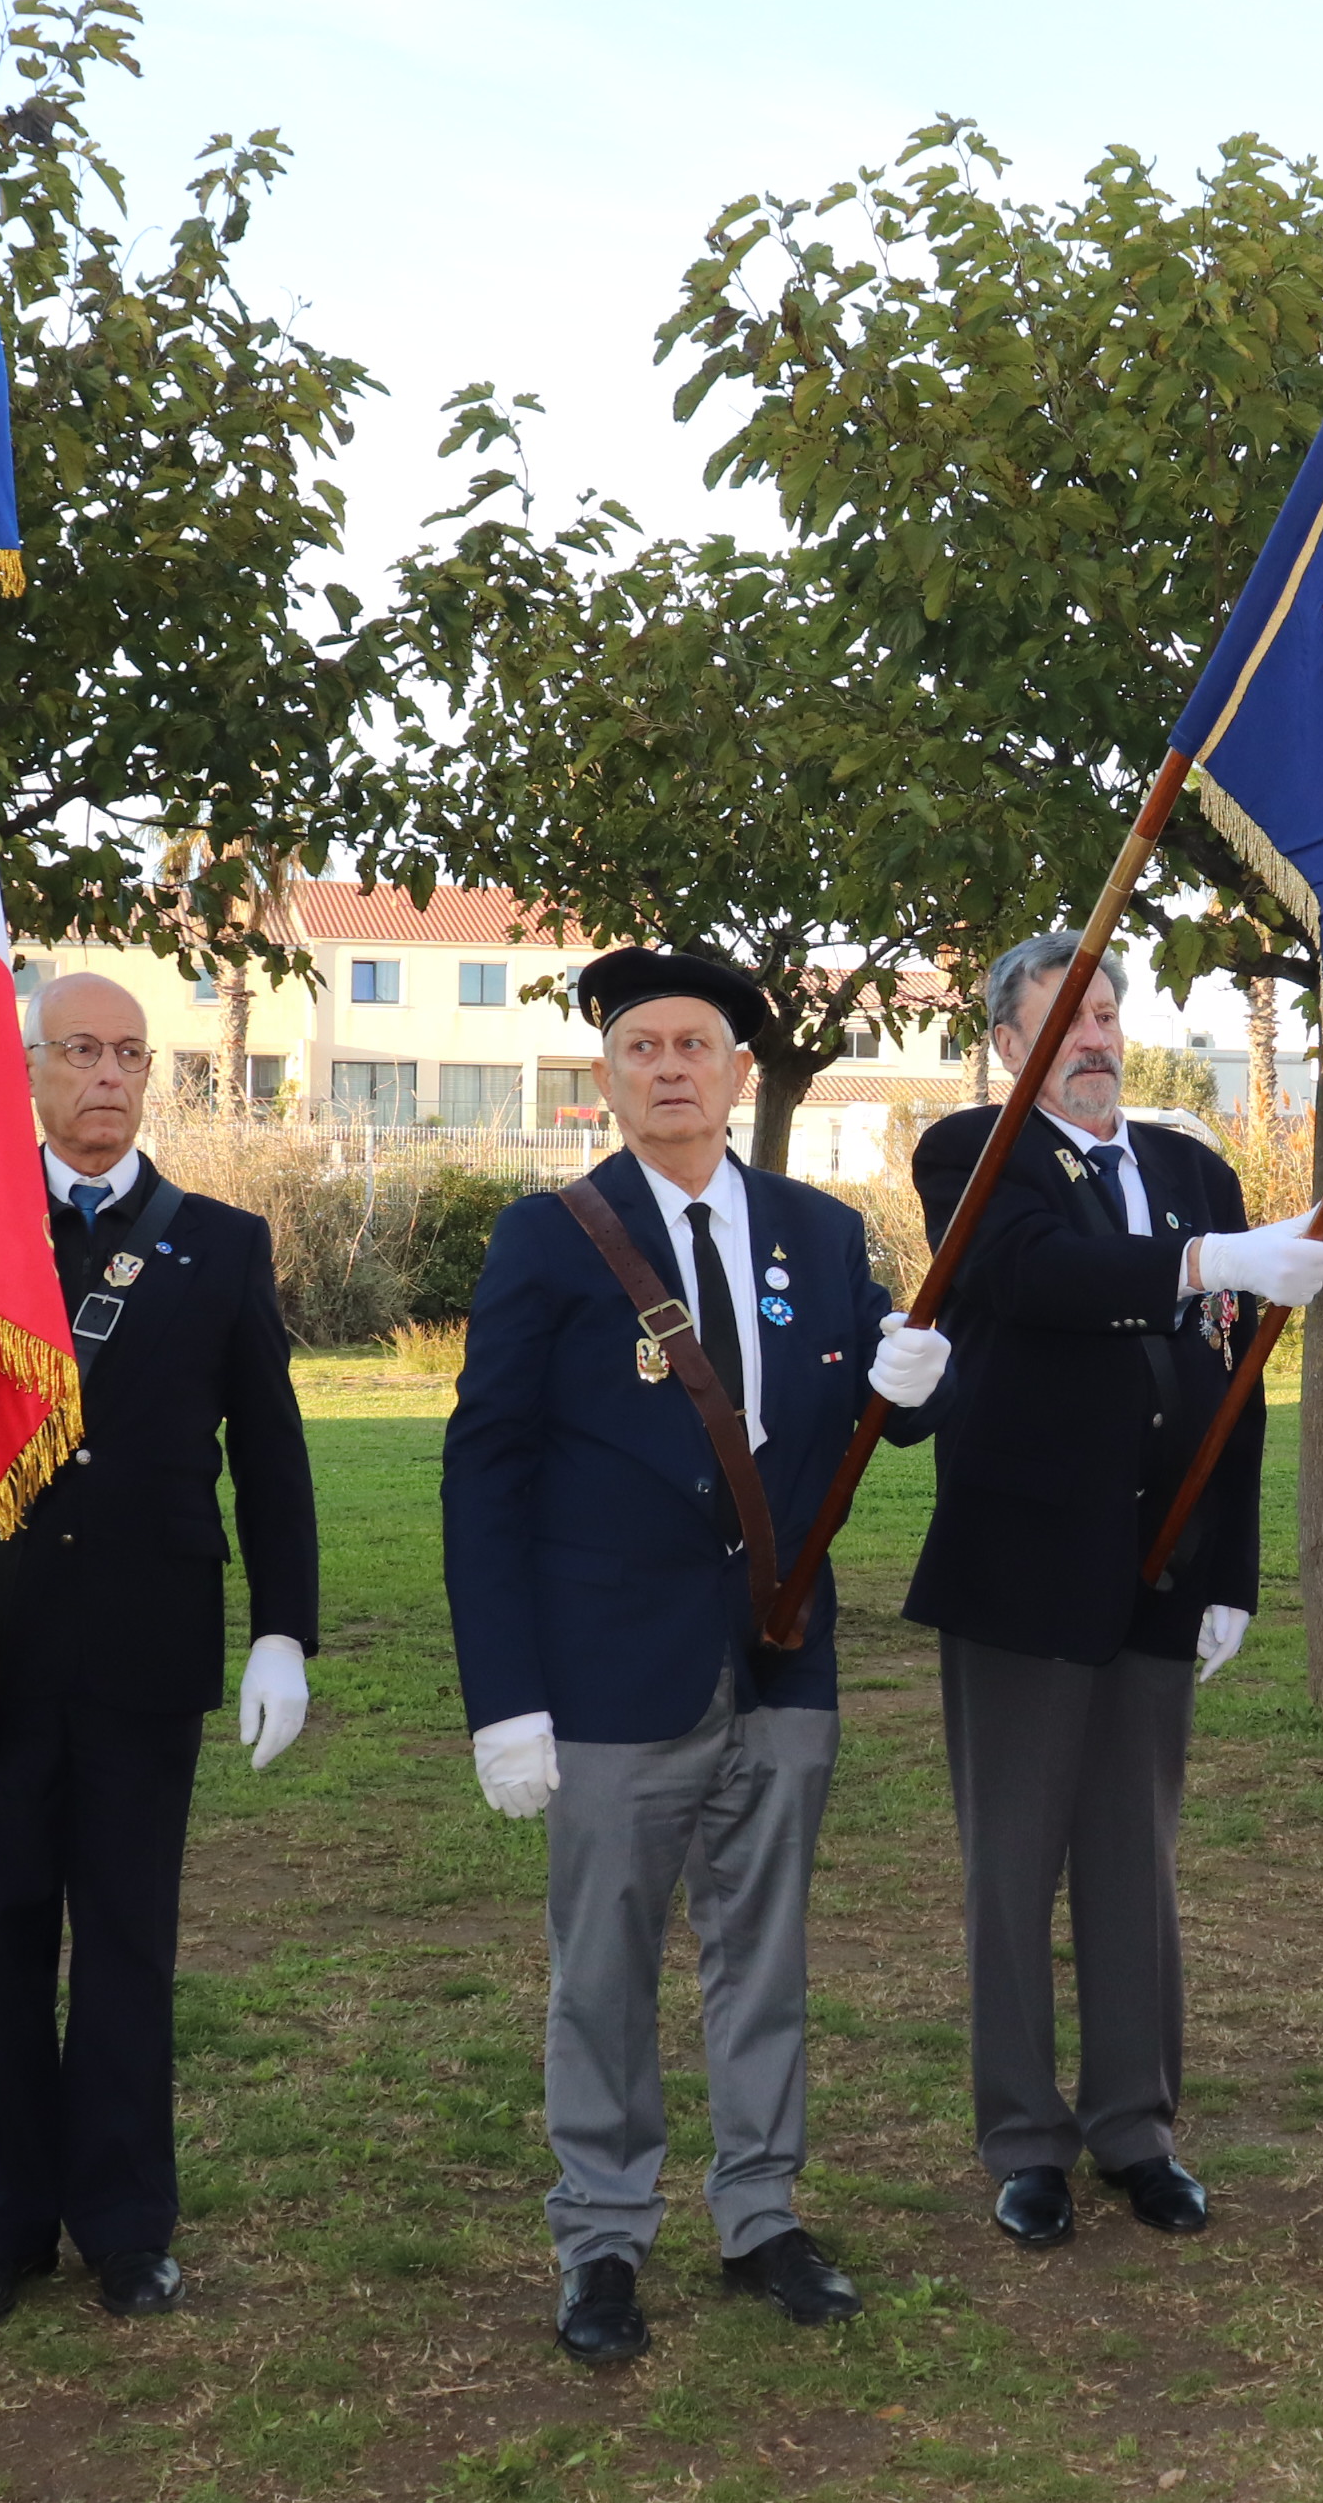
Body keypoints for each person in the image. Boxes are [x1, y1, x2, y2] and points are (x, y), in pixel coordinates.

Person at [445, 949, 951, 2365]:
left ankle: (759, 2212)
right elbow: (485, 1472)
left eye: (696, 1045)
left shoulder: (820, 1230)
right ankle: (603, 2235)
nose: (669, 1066)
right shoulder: (552, 1237)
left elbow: (864, 1407)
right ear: (607, 1080)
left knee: (763, 1952)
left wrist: (917, 1385)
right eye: (640, 1047)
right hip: (609, 1675)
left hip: (782, 1659)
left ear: (739, 1073)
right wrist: (508, 1701)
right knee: (602, 1967)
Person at [903, 932, 1323, 2249]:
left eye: (1104, 1014)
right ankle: (1025, 2141)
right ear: (1004, 1044)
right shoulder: (974, 1155)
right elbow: (1032, 1274)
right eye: (1062, 1020)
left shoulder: (1194, 1169)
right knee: (1014, 1867)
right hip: (1025, 1570)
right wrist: (1212, 1263)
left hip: (1163, 1567)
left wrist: (1235, 1571)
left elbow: (1233, 1391)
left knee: (1134, 1866)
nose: (1092, 1039)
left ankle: (1137, 2129)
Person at [0, 972, 318, 2330]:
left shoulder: (219, 1242)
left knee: (131, 1945)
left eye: (129, 1054)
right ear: (30, 1068)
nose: (106, 1074)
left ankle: (129, 2225)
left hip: (147, 1650)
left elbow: (270, 1458)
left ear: (154, 1077)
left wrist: (282, 1629)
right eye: (79, 1050)